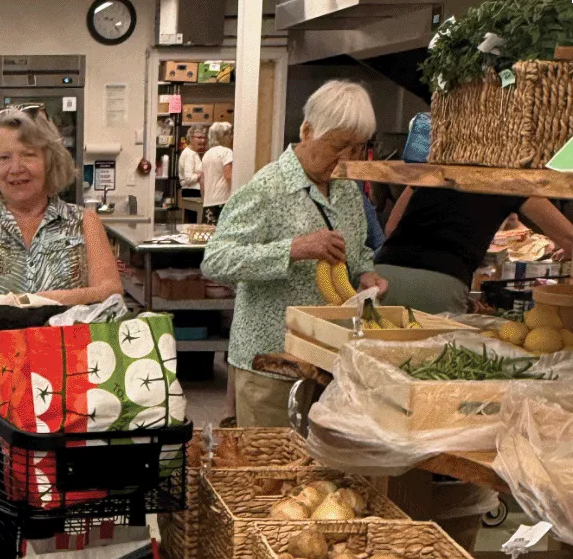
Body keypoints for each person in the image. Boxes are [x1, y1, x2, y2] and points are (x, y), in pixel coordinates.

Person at [202, 80, 388, 428]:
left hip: (331, 360)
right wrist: (294, 249)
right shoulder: (267, 188)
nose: (346, 158)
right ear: (308, 130)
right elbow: (217, 260)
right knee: (268, 473)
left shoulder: (348, 192)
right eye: (338, 145)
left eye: (357, 147)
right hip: (273, 362)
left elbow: (358, 251)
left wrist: (365, 275)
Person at [0, 105, 122, 307]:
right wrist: (41, 303)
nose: (16, 168)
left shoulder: (85, 222)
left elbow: (111, 294)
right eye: (4, 158)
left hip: (69, 339)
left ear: (50, 160)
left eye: (28, 155)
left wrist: (35, 302)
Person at [375, 187, 573, 314]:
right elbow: (569, 237)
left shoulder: (433, 168)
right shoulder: (510, 179)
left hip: (382, 275)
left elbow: (391, 228)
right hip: (442, 281)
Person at [199, 121, 234, 224]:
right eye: (230, 134)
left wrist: (204, 199)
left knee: (209, 233)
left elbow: (202, 180)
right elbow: (229, 175)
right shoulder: (227, 152)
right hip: (223, 201)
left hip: (209, 202)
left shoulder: (207, 154)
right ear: (224, 136)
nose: (232, 138)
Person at [179, 125, 208, 222]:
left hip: (194, 192)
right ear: (190, 138)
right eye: (199, 137)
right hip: (191, 192)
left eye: (203, 137)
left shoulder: (193, 153)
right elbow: (188, 178)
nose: (202, 140)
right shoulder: (189, 154)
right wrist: (201, 175)